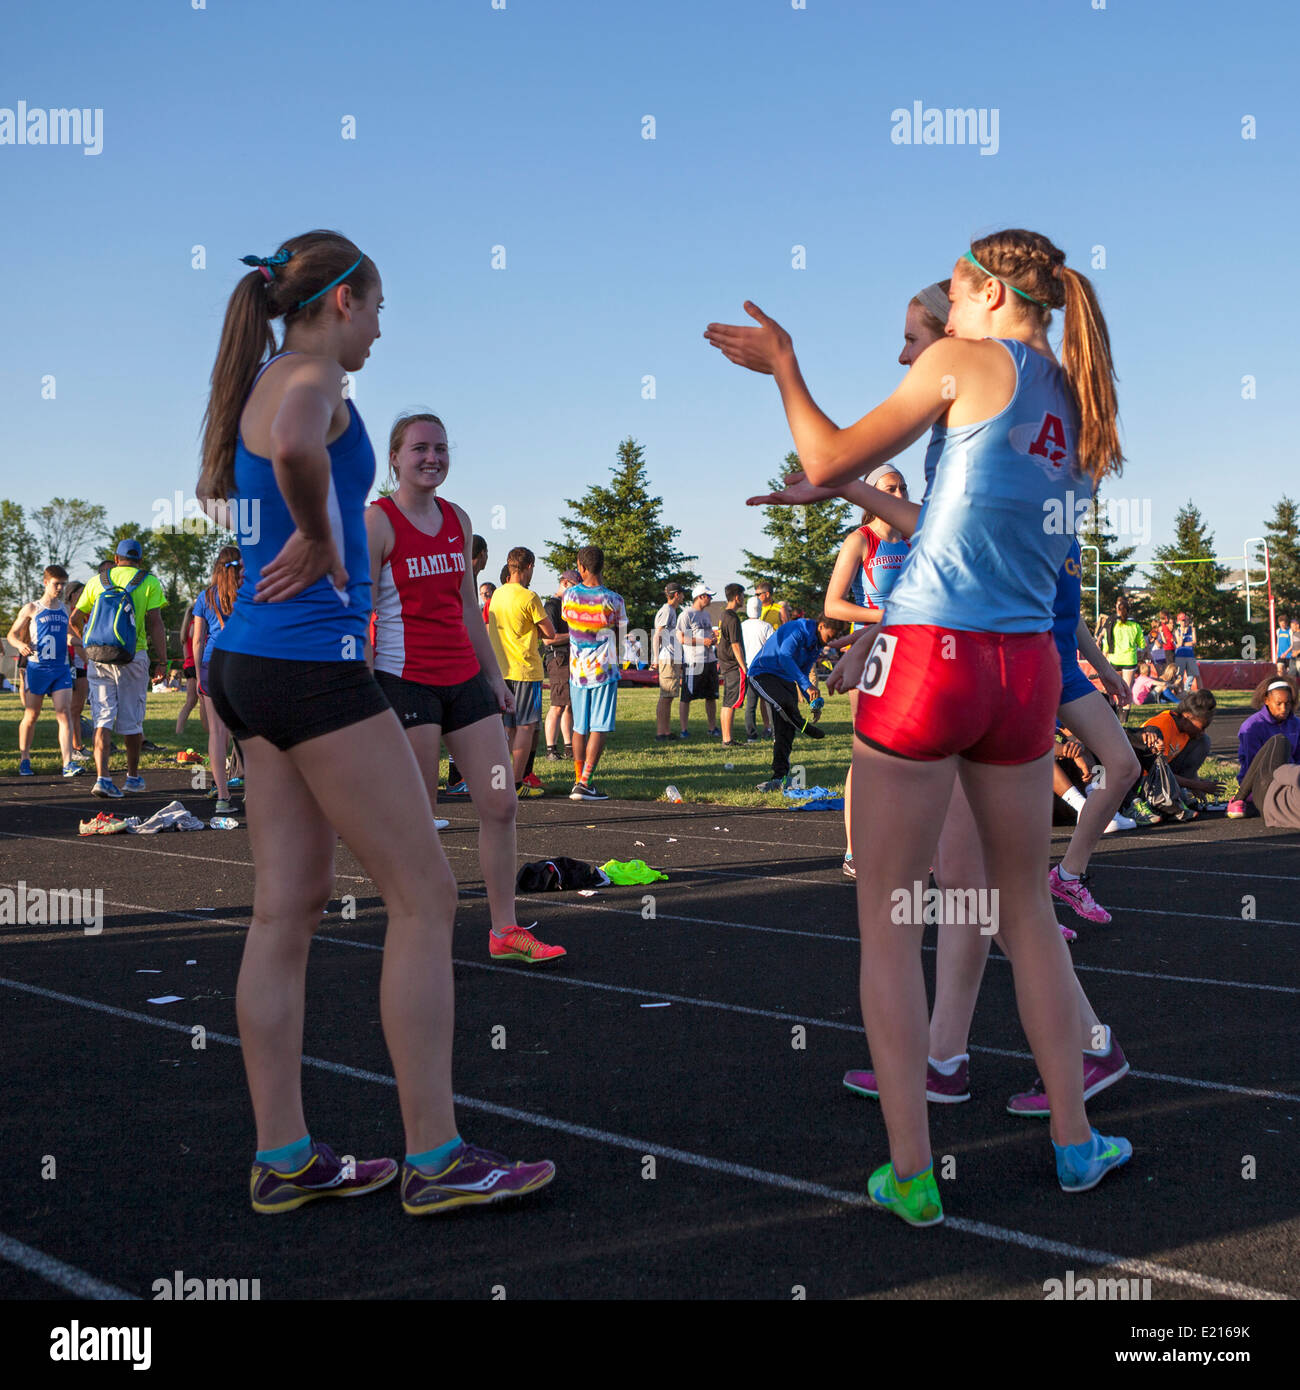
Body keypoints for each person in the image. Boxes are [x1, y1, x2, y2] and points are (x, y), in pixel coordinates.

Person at [707, 228, 1133, 1223]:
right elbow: (960, 515)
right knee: (1023, 908)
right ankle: (1074, 1142)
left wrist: (783, 367)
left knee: (888, 920)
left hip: (930, 655)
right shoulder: (1075, 404)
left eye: (948, 293)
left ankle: (911, 1169)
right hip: (1024, 667)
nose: (937, 318)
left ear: (981, 293)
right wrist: (852, 489)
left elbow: (823, 448)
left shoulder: (960, 361)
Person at [197, 229, 553, 1216]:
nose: (383, 330)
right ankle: (436, 1158)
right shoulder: (307, 376)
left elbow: (290, 450)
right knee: (427, 895)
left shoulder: (265, 374)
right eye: (381, 308)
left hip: (253, 666)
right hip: (308, 669)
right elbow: (304, 447)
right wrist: (319, 533)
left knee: (285, 907)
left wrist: (316, 533)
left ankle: (285, 1155)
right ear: (344, 300)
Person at [368, 411, 564, 963]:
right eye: (420, 449)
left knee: (501, 802)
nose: (432, 458)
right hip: (404, 682)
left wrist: (492, 676)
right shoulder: (376, 522)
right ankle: (418, 930)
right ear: (395, 459)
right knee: (419, 812)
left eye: (441, 448)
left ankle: (504, 930)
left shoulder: (458, 519)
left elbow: (467, 612)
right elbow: (356, 612)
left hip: (464, 680)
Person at [822, 465, 911, 878]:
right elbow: (833, 606)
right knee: (869, 752)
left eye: (902, 486)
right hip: (871, 650)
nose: (898, 491)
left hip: (915, 652)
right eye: (889, 487)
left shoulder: (916, 539)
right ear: (870, 496)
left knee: (915, 752)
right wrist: (885, 616)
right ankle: (855, 851)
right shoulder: (860, 540)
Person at [71, 537, 168, 799]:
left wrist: (89, 640)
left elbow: (75, 618)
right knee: (132, 719)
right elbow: (156, 624)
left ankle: (103, 778)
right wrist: (162, 660)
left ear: (116, 559)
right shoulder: (148, 581)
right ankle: (132, 778)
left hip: (99, 656)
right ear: (140, 560)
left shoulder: (96, 581)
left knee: (102, 717)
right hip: (132, 655)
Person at [487, 547, 561, 794]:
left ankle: (501, 779)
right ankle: (517, 783)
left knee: (507, 727)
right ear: (528, 566)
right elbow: (550, 633)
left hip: (502, 669)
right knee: (526, 727)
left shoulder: (496, 595)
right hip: (525, 669)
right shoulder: (529, 597)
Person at [746, 614, 847, 790]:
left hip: (786, 679)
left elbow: (803, 672)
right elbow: (785, 656)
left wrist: (812, 700)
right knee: (782, 704)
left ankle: (780, 778)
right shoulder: (798, 629)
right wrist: (808, 686)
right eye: (831, 636)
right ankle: (802, 724)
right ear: (821, 626)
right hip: (763, 673)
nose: (832, 641)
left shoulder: (815, 645)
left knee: (786, 730)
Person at [560, 545, 626, 801]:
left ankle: (578, 780)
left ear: (581, 567)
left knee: (580, 727)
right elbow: (619, 634)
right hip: (604, 670)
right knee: (599, 726)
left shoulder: (569, 596)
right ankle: (585, 782)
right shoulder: (614, 600)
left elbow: (570, 622)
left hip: (577, 671)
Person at [8, 565, 80, 778]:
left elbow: (68, 636)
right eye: (56, 584)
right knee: (31, 715)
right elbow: (11, 634)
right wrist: (20, 645)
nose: (60, 588)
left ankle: (68, 763)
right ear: (45, 582)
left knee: (64, 712)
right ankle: (25, 758)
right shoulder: (32, 608)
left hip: (60, 669)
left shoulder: (63, 609)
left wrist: (86, 643)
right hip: (37, 668)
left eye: (63, 584)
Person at [191, 547, 243, 815]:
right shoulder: (250, 593)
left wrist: (199, 674)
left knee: (217, 732)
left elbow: (197, 640)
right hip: (242, 663)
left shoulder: (204, 597)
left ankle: (223, 797)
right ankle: (256, 792)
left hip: (212, 664)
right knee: (249, 730)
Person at [1228, 675, 1300, 818]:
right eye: (1278, 703)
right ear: (1266, 700)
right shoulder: (1252, 727)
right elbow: (1251, 765)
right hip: (1262, 783)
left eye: (1288, 703)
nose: (1284, 708)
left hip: (1290, 780)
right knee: (1279, 741)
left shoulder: (1296, 723)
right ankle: (1240, 798)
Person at [1141, 690, 1221, 802]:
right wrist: (1198, 785)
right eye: (1202, 727)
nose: (1202, 731)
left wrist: (1197, 783)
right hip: (1145, 778)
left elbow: (1182, 766)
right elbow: (1158, 773)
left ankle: (1182, 791)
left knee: (1203, 741)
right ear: (1187, 717)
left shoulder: (1185, 728)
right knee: (1175, 802)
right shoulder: (1162, 727)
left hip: (1162, 772)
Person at [543, 570, 578, 760]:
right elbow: (548, 639)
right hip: (558, 659)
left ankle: (568, 746)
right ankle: (550, 749)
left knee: (568, 705)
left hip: (570, 658)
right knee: (557, 705)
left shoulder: (568, 606)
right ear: (564, 583)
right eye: (574, 587)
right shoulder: (552, 606)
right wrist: (575, 635)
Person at [678, 585, 720, 737]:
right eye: (709, 596)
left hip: (709, 660)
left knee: (711, 696)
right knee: (687, 697)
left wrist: (712, 640)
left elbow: (707, 636)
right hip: (694, 661)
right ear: (701, 596)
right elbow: (681, 638)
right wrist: (703, 641)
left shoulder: (707, 615)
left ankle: (712, 727)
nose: (711, 598)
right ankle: (683, 730)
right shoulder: (686, 614)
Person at [715, 584, 749, 747]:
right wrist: (743, 666)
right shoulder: (733, 617)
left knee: (727, 701)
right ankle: (727, 740)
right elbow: (735, 645)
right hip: (733, 665)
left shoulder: (723, 615)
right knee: (731, 702)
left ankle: (727, 738)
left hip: (725, 664)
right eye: (742, 595)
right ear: (737, 597)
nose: (744, 599)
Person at [653, 582, 686, 740]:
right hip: (667, 658)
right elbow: (657, 635)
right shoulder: (667, 610)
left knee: (669, 696)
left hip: (672, 657)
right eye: (682, 593)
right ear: (677, 594)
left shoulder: (672, 611)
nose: (683, 596)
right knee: (666, 696)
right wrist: (655, 657)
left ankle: (665, 731)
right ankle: (661, 732)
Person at [739, 596, 775, 741]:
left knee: (751, 704)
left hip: (747, 667)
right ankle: (774, 733)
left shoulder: (742, 626)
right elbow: (773, 647)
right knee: (769, 703)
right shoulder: (766, 626)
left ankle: (751, 735)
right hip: (764, 667)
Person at [1101, 595, 1144, 703]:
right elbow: (1141, 643)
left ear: (1118, 610)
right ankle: (1123, 716)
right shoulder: (1135, 625)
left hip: (1115, 658)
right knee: (1127, 689)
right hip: (1129, 659)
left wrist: (1105, 654)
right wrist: (1142, 652)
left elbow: (1107, 641)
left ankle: (1112, 709)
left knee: (1113, 689)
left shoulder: (1113, 623)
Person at [175, 598, 206, 737]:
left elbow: (186, 651)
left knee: (191, 701)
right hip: (196, 666)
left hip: (189, 666)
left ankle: (179, 729)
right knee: (203, 700)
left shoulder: (185, 628)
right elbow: (198, 644)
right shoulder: (195, 625)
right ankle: (208, 730)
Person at [1172, 611, 1200, 691]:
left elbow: (1194, 642)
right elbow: (1179, 643)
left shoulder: (1192, 629)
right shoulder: (1177, 631)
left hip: (1190, 655)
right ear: (1178, 621)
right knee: (1179, 675)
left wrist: (1184, 643)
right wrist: (1182, 633)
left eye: (1185, 620)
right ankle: (1178, 691)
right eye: (1182, 620)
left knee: (1192, 674)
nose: (1183, 622)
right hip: (1180, 655)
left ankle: (1186, 688)